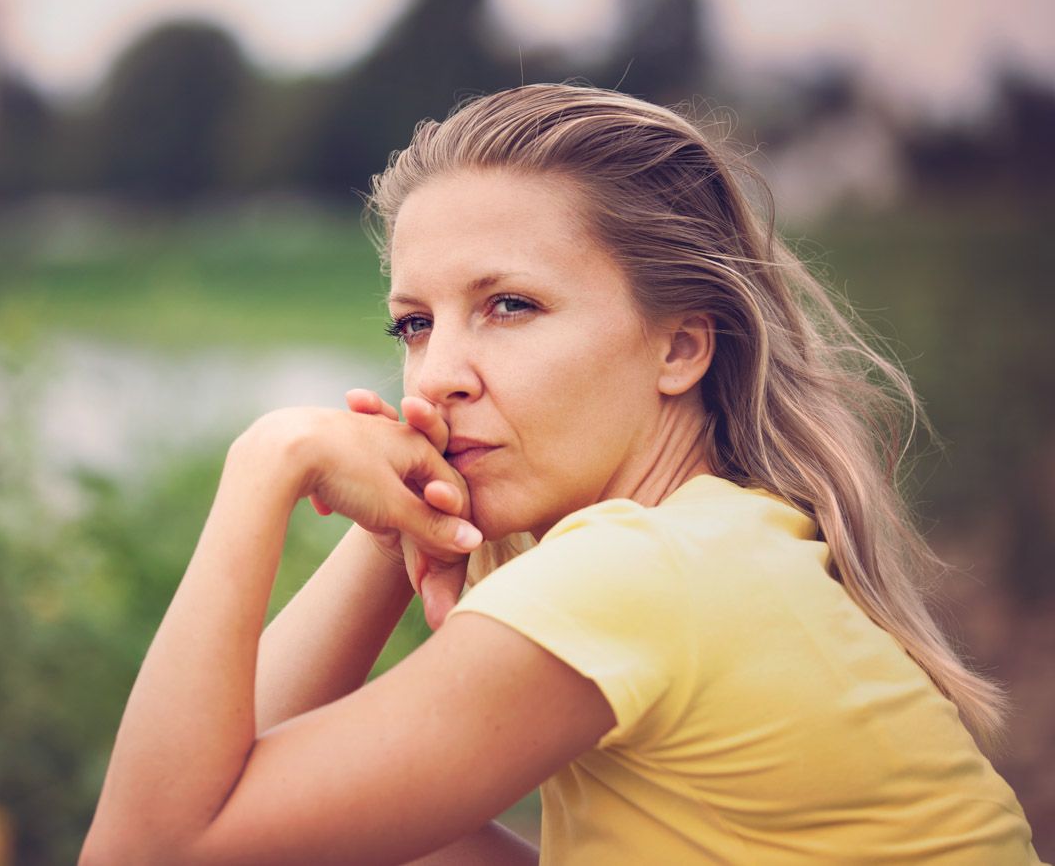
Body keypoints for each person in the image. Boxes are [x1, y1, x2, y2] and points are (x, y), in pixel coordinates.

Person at [80, 83, 1045, 864]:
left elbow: (147, 848)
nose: (438, 374)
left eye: (509, 306)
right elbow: (237, 799)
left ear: (679, 349)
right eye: (414, 324)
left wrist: (266, 463)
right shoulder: (720, 540)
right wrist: (397, 526)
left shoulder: (639, 574)